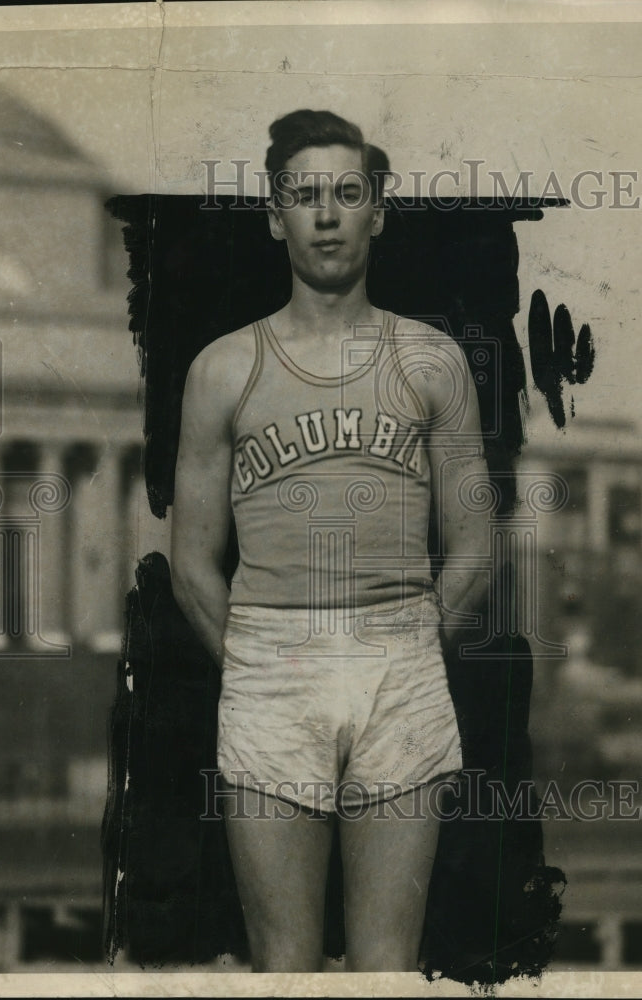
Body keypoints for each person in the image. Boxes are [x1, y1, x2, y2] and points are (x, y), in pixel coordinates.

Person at [170, 109, 491, 973]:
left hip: (399, 657)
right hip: (271, 659)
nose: (326, 214)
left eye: (347, 193)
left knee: (389, 968)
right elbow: (193, 563)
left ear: (377, 211)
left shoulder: (431, 361)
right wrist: (250, 662)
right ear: (275, 215)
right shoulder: (223, 369)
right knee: (286, 969)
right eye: (304, 195)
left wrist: (415, 650)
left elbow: (473, 544)